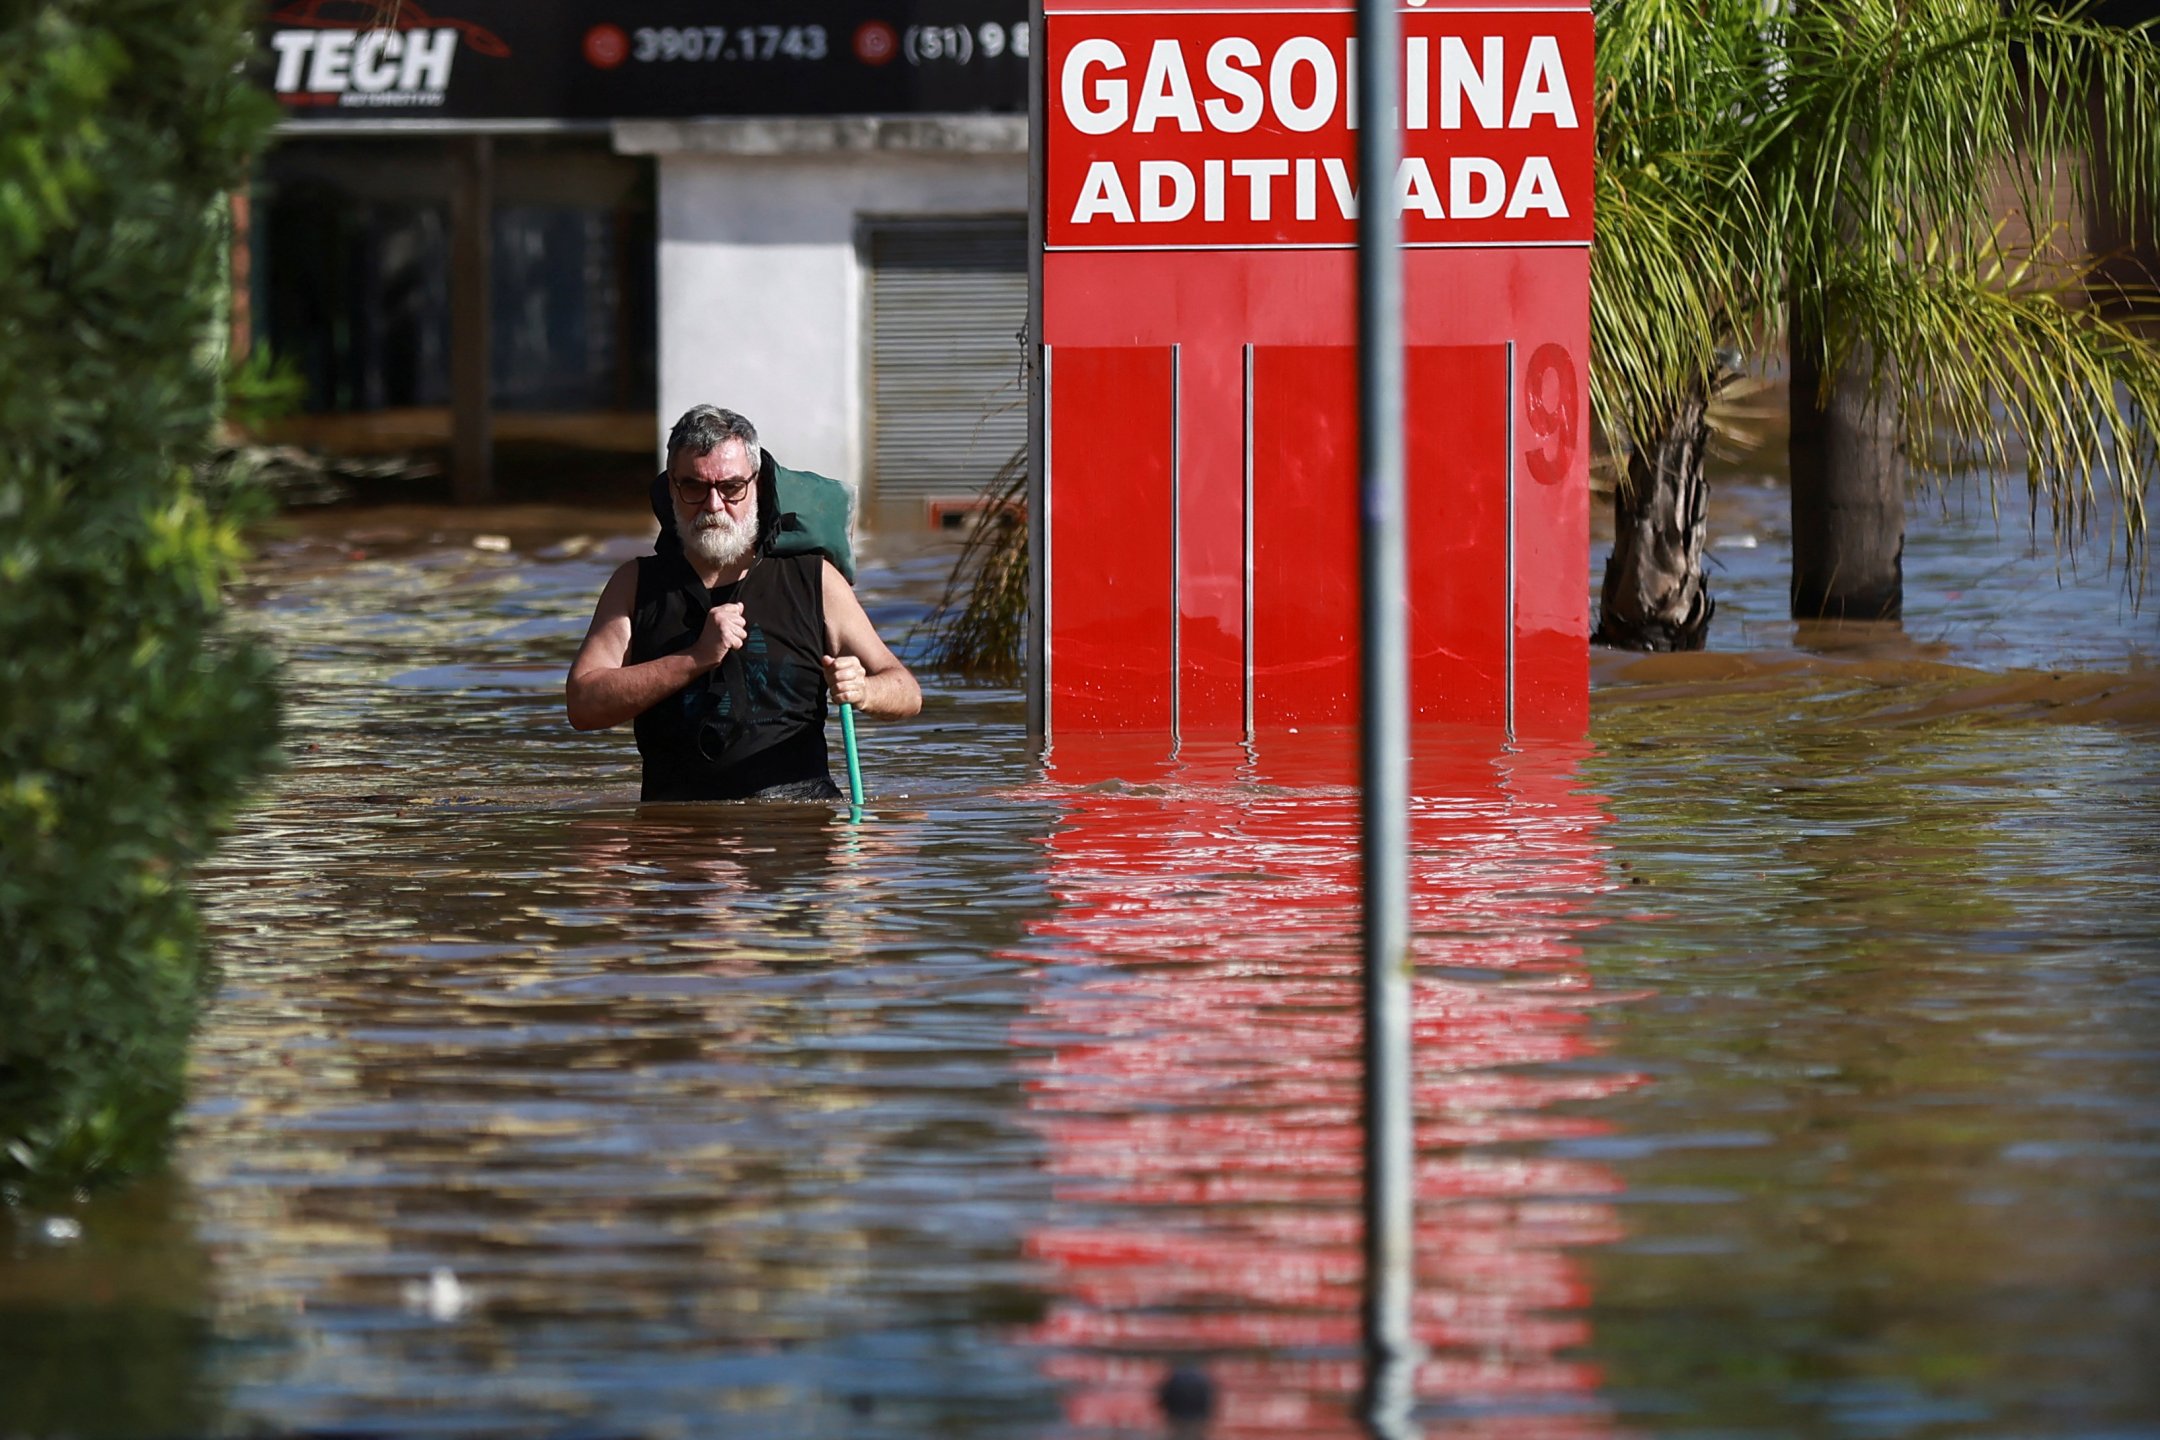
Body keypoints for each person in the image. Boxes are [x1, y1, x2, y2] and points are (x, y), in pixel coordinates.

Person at [566, 406, 919, 802]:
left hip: (800, 819)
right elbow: (582, 704)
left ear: (759, 487)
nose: (714, 505)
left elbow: (906, 691)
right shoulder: (634, 584)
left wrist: (864, 690)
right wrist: (695, 658)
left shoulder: (815, 579)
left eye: (731, 487)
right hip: (674, 826)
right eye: (694, 487)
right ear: (672, 489)